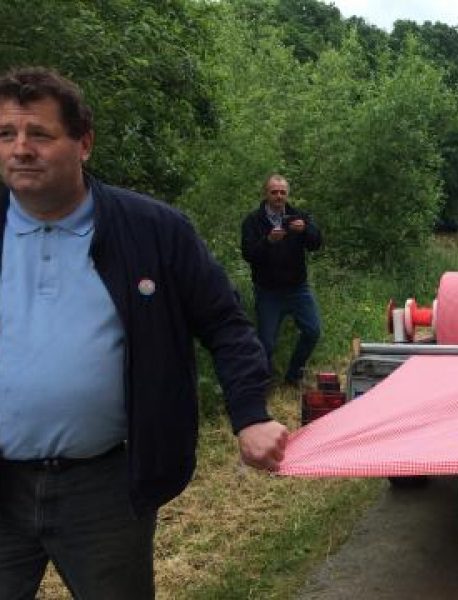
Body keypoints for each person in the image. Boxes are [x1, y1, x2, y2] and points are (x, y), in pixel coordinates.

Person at [0, 67, 287, 598]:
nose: (20, 149)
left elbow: (225, 323)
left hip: (106, 487)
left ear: (83, 143)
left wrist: (250, 414)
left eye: (39, 134)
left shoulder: (153, 230)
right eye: (6, 135)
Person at [241, 174, 322, 385]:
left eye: (282, 192)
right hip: (268, 291)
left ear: (287, 194)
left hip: (298, 288)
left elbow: (316, 244)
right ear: (266, 194)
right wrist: (268, 240)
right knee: (266, 344)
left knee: (312, 331)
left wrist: (305, 230)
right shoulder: (253, 221)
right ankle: (262, 383)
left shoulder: (298, 216)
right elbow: (248, 253)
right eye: (274, 192)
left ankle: (293, 375)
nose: (278, 196)